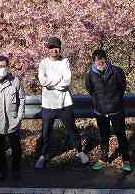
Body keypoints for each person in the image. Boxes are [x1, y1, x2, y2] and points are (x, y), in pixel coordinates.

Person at [35, 36, 90, 169]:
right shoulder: (43, 63)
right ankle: (43, 155)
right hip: (48, 104)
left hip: (65, 103)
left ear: (60, 49)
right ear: (48, 49)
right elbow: (43, 81)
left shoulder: (65, 61)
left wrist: (51, 82)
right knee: (46, 132)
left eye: (57, 47)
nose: (55, 50)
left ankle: (79, 151)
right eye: (52, 47)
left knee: (72, 130)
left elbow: (66, 82)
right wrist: (58, 79)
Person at [84, 49, 133, 173]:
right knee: (104, 135)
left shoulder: (117, 71)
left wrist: (115, 100)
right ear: (94, 61)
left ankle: (126, 160)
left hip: (116, 110)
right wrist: (98, 101)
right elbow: (90, 89)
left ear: (106, 59)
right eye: (97, 60)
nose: (100, 62)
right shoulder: (90, 74)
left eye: (102, 59)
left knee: (121, 135)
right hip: (100, 111)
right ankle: (104, 159)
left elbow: (122, 87)